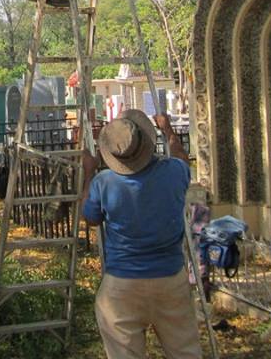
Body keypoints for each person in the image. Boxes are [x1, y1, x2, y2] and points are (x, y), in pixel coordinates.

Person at [81, 109, 201, 359]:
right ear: (146, 142)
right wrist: (167, 128)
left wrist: (87, 173)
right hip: (170, 279)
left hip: (122, 285)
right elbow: (181, 157)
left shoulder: (104, 183)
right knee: (185, 352)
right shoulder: (173, 172)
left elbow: (90, 219)